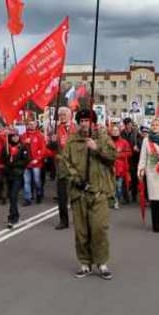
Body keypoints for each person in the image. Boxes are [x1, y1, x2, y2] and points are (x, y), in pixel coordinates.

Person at [63, 108, 116, 280]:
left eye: (88, 120)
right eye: (82, 121)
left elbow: (113, 156)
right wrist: (76, 179)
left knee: (99, 229)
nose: (85, 124)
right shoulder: (72, 141)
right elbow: (65, 163)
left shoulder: (102, 137)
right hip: (79, 193)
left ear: (93, 122)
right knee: (81, 231)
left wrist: (97, 148)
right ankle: (85, 263)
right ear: (78, 123)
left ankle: (102, 263)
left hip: (99, 191)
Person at [48, 107, 76, 229]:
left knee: (76, 194)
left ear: (70, 115)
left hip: (75, 166)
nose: (62, 117)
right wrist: (52, 142)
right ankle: (63, 221)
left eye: (64, 114)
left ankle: (78, 217)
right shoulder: (56, 129)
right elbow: (50, 148)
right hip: (61, 166)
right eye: (60, 115)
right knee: (62, 196)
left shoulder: (77, 128)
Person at [0, 130, 30, 228]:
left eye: (17, 136)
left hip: (18, 174)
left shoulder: (22, 147)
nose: (15, 138)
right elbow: (2, 159)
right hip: (8, 174)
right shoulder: (6, 147)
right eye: (13, 136)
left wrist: (15, 164)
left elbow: (26, 161)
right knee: (11, 196)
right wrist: (7, 159)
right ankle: (15, 214)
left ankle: (12, 217)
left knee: (13, 195)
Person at [138, 118, 159, 232]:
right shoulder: (147, 140)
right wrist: (140, 170)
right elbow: (143, 157)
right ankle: (156, 226)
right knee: (155, 201)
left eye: (157, 124)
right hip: (152, 173)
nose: (155, 126)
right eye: (153, 124)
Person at [21, 118, 46, 206]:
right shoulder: (24, 135)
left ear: (36, 124)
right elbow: (20, 147)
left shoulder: (40, 135)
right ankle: (28, 198)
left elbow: (43, 149)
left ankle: (39, 193)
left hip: (36, 163)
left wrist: (38, 159)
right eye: (29, 124)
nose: (31, 125)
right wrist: (25, 142)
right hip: (26, 163)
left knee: (36, 180)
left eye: (33, 124)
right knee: (26, 181)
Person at [120, 118, 142, 203]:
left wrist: (138, 148)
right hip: (125, 158)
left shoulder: (136, 133)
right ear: (125, 125)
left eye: (130, 124)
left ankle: (133, 195)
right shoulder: (121, 134)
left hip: (134, 158)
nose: (129, 126)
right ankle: (126, 197)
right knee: (124, 177)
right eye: (127, 124)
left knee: (133, 177)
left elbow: (140, 144)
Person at [110, 126, 132, 210]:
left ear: (119, 132)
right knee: (111, 186)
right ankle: (114, 201)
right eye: (113, 130)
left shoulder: (124, 142)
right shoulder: (108, 141)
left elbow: (129, 153)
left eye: (116, 130)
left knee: (118, 186)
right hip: (110, 167)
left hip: (120, 168)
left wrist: (119, 154)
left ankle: (117, 200)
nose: (115, 132)